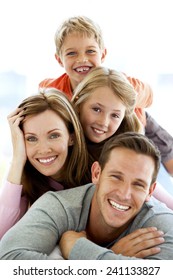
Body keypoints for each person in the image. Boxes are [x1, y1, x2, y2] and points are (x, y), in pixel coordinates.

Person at [39, 15, 173, 190]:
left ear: (103, 54)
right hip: (107, 126)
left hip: (138, 123)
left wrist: (126, 102)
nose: (82, 59)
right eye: (72, 53)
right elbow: (43, 92)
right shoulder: (57, 90)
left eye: (90, 51)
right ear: (59, 59)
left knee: (167, 158)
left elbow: (149, 95)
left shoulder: (120, 82)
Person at [0, 132, 173, 260]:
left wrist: (77, 249)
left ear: (150, 191)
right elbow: (8, 260)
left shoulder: (163, 226)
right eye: (116, 177)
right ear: (97, 173)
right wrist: (115, 260)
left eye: (138, 184)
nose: (124, 194)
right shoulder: (59, 206)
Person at [71, 66, 173, 210]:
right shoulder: (64, 134)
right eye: (96, 109)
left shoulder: (128, 143)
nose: (103, 122)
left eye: (115, 115)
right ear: (78, 102)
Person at [0, 88, 89, 239]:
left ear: (72, 137)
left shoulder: (96, 175)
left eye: (54, 135)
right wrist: (17, 159)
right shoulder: (24, 181)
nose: (43, 149)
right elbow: (2, 235)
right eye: (31, 138)